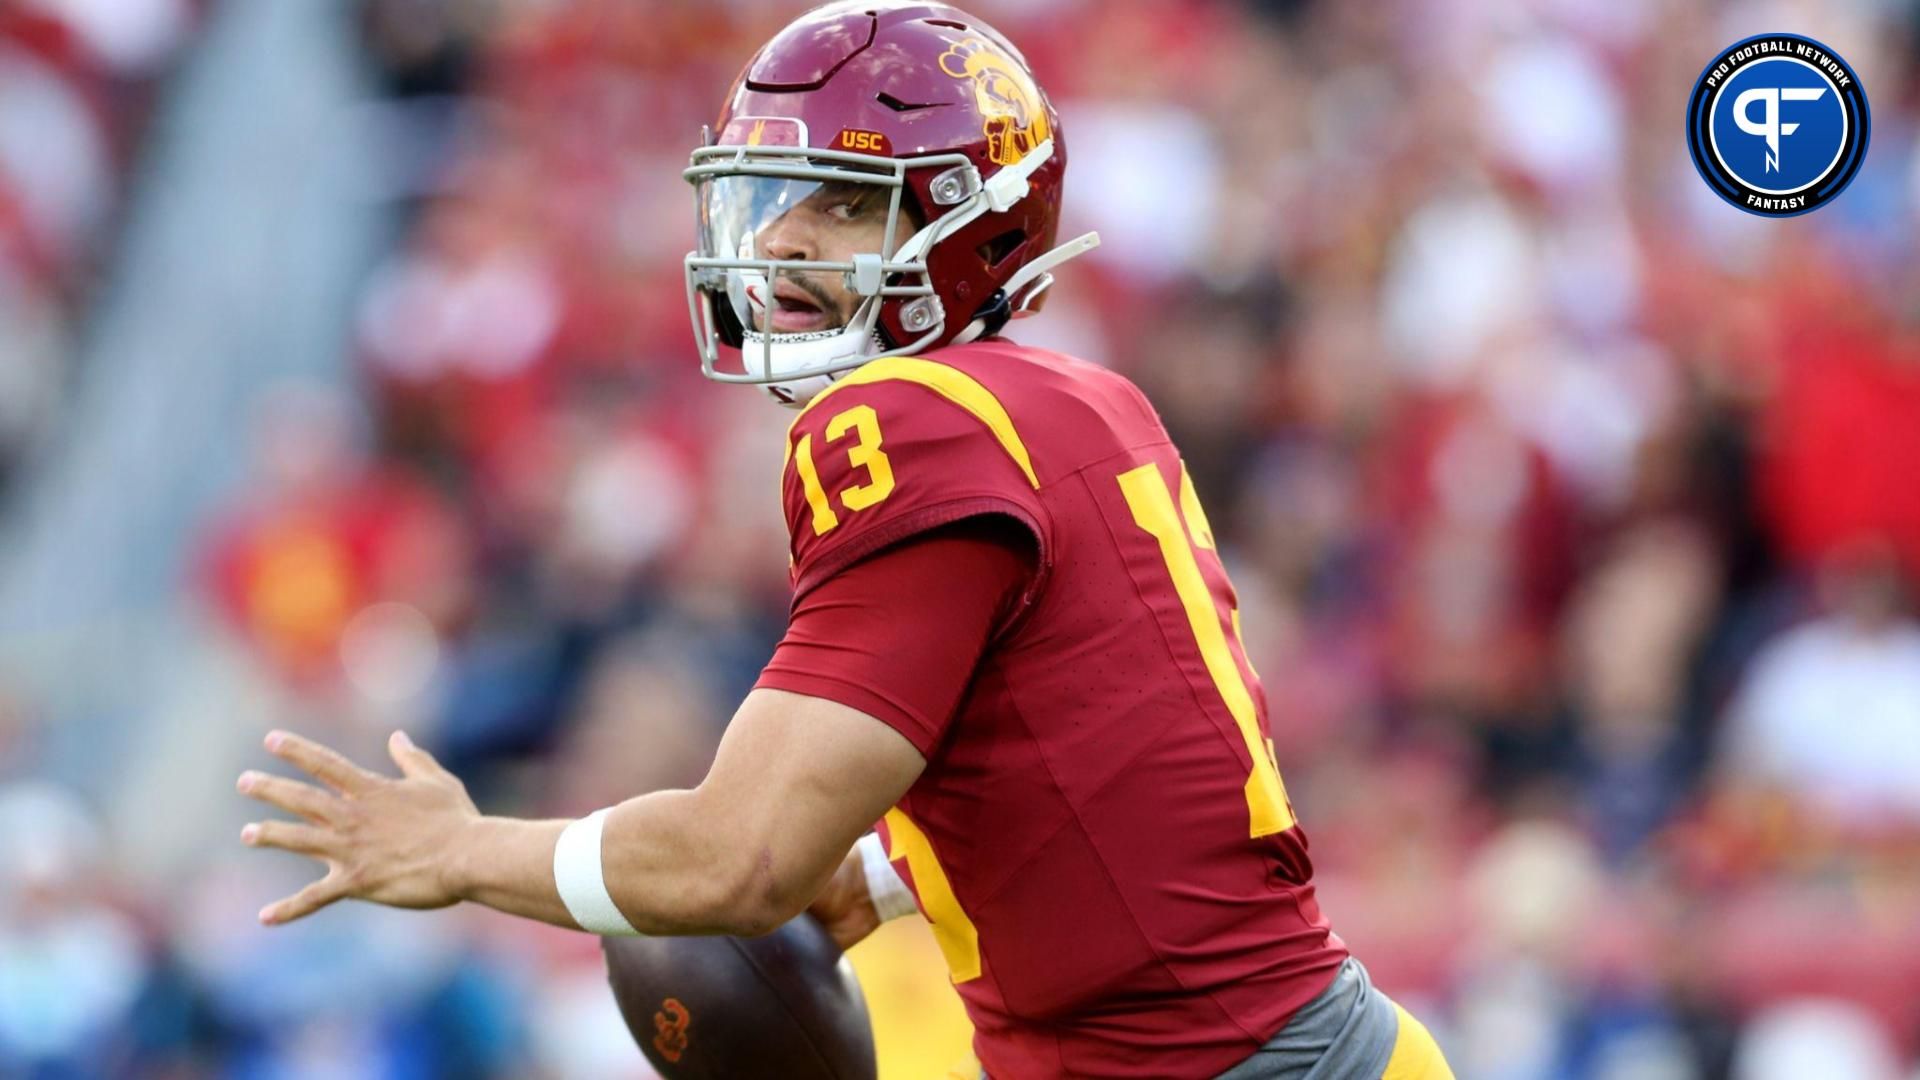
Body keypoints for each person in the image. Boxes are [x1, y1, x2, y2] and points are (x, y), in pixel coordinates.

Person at [236, 3, 1454, 1076]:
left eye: (837, 205)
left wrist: (465, 851)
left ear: (968, 224)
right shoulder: (1085, 398)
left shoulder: (903, 420)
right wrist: (884, 870)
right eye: (771, 201)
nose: (776, 244)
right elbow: (1113, 760)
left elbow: (739, 862)